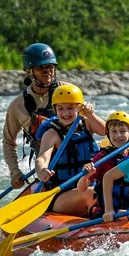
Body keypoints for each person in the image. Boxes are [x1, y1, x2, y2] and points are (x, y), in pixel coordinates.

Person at [2, 43, 69, 188]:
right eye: (40, 68)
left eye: (50, 66)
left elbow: (89, 124)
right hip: (47, 170)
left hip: (77, 163)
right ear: (28, 71)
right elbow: (8, 142)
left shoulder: (68, 91)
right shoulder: (17, 106)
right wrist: (15, 172)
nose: (47, 72)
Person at [34, 84, 106, 216]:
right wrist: (42, 170)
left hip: (87, 184)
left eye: (71, 108)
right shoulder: (52, 134)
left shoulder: (87, 123)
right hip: (60, 194)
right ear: (54, 110)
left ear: (79, 108)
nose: (66, 113)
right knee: (92, 193)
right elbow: (42, 158)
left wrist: (91, 115)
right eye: (60, 108)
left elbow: (104, 131)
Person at [83, 111, 129, 218]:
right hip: (105, 213)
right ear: (108, 134)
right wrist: (85, 175)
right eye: (114, 131)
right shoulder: (102, 158)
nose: (118, 135)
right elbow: (82, 188)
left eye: (123, 131)